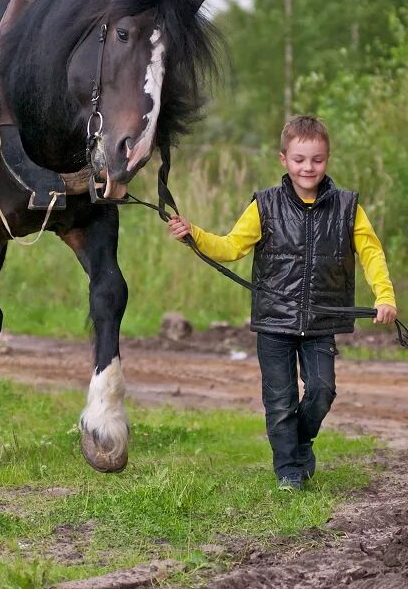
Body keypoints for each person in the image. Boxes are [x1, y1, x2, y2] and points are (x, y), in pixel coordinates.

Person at [167, 115, 397, 491]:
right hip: (275, 321)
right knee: (279, 402)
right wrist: (193, 235)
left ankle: (300, 440)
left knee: (322, 390)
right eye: (300, 159)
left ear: (328, 158)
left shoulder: (347, 207)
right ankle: (289, 472)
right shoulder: (265, 205)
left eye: (317, 160)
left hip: (321, 321)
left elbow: (371, 253)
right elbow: (230, 246)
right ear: (283, 159)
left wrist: (384, 296)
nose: (308, 167)